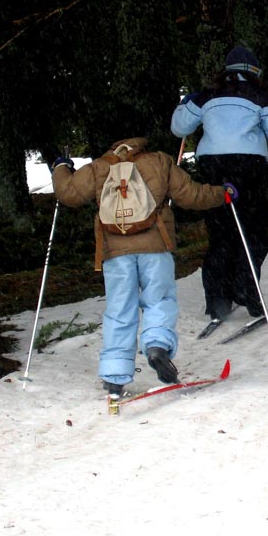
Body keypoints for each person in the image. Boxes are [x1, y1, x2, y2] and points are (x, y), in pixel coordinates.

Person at [51, 137, 227, 395]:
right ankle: (157, 345)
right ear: (140, 143)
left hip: (115, 251)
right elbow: (191, 195)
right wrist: (223, 194)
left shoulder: (100, 167)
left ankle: (114, 375)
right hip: (155, 245)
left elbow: (68, 193)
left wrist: (61, 167)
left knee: (119, 309)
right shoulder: (159, 161)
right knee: (159, 299)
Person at [171, 45, 268, 322]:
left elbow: (178, 128)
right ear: (254, 71)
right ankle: (247, 289)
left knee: (220, 232)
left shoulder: (206, 95)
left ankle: (217, 299)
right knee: (253, 230)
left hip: (213, 167)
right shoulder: (260, 97)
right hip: (248, 167)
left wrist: (187, 103)